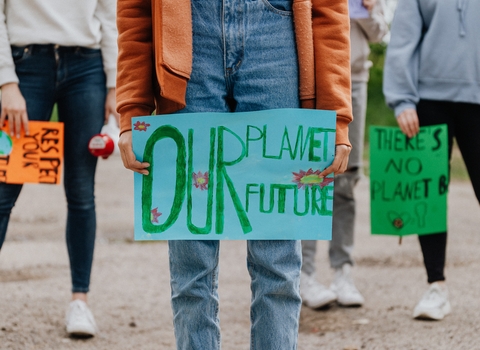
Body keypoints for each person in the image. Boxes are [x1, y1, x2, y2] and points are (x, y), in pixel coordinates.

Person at [116, 0, 352, 348]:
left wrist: (335, 115)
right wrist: (132, 108)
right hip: (188, 30)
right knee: (190, 261)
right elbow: (135, 8)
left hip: (277, 29)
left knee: (278, 261)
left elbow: (330, 7)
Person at [0, 0, 118, 336]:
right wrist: (6, 82)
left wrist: (114, 86)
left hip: (87, 69)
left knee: (81, 192)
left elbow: (108, 14)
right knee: (4, 190)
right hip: (25, 67)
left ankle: (80, 301)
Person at [383, 0, 480, 320]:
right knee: (429, 197)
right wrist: (401, 99)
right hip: (428, 102)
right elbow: (403, 37)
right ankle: (436, 285)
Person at [300, 0, 388, 309]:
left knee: (347, 177)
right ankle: (305, 273)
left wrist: (369, 8)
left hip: (355, 81)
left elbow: (380, 35)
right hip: (310, 79)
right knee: (308, 175)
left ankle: (342, 272)